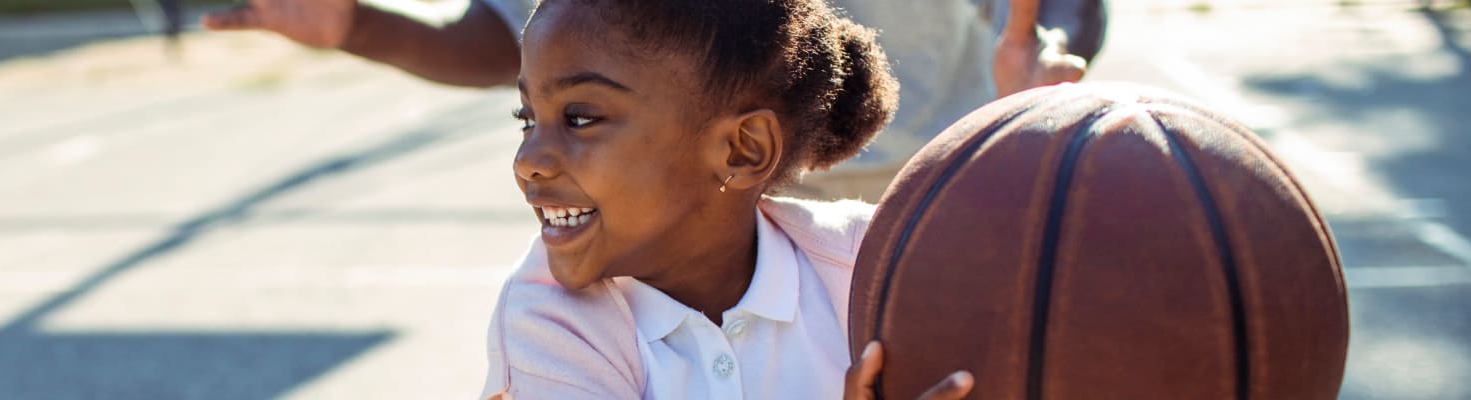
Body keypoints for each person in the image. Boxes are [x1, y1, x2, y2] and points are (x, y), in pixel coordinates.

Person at [483, 0, 969, 398]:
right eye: (527, 119)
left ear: (742, 149)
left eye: (580, 117)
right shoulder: (547, 323)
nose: (529, 160)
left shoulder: (873, 266)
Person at [203, 0, 1102, 201]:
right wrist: (356, 26)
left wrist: (1050, 64)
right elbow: (518, 33)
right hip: (717, 199)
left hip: (951, 166)